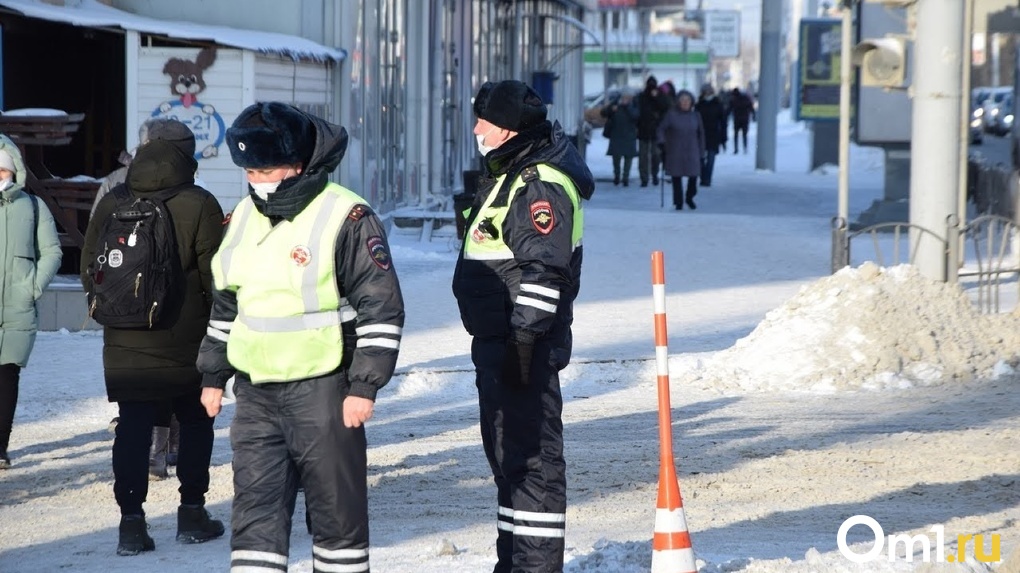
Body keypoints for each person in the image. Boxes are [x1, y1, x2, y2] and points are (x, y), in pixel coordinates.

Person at [196, 101, 405, 573]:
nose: (256, 178)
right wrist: (213, 374)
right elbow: (227, 304)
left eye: (265, 167)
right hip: (255, 392)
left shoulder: (346, 216)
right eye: (248, 169)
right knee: (254, 511)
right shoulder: (241, 218)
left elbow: (381, 305)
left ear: (298, 163)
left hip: (324, 388)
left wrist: (365, 385)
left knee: (336, 512)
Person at [455, 80, 595, 573]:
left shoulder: (539, 183)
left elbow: (544, 275)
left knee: (532, 467)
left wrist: (522, 344)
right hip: (500, 346)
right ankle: (513, 563)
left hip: (522, 350)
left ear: (508, 127)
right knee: (509, 463)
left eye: (484, 122)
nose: (476, 129)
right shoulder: (512, 171)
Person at [80, 118, 226, 556]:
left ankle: (131, 524)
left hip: (125, 341)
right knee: (197, 422)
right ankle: (192, 513)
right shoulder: (200, 203)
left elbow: (91, 268)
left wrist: (123, 310)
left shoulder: (113, 200)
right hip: (186, 339)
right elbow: (216, 276)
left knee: (133, 426)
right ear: (187, 154)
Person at [0, 135, 62, 470]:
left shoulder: (33, 206)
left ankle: (1, 446)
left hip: (17, 304)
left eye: (2, 170)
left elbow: (51, 251)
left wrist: (33, 286)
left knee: (7, 376)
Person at [658, 90, 705, 210]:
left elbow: (701, 134)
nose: (685, 103)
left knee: (694, 176)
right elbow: (661, 129)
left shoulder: (696, 115)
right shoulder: (671, 115)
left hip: (692, 149)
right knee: (676, 176)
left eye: (687, 100)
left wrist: (701, 150)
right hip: (675, 150)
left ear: (691, 102)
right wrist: (662, 142)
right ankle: (678, 201)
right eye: (682, 100)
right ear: (678, 102)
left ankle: (690, 197)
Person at [600, 88, 639, 186]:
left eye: (628, 96)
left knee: (628, 158)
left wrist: (627, 107)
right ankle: (616, 176)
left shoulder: (634, 104)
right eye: (625, 96)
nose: (626, 98)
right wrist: (611, 109)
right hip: (616, 134)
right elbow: (603, 113)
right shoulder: (615, 103)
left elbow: (636, 116)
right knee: (616, 157)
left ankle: (625, 177)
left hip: (629, 135)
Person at [636, 76, 670, 188]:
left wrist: (657, 97)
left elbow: (665, 108)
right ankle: (644, 178)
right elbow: (637, 112)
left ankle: (654, 175)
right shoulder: (641, 96)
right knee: (643, 157)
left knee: (656, 155)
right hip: (643, 130)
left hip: (656, 130)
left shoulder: (660, 96)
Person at [695, 83, 728, 187]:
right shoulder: (699, 105)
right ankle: (703, 177)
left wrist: (723, 137)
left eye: (709, 91)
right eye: (705, 91)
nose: (707, 93)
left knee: (710, 158)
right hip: (700, 136)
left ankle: (707, 179)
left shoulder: (718, 104)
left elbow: (723, 122)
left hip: (714, 135)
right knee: (700, 159)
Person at [730, 87, 756, 154]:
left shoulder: (734, 100)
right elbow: (751, 107)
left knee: (736, 135)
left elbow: (729, 109)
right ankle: (745, 148)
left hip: (737, 119)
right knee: (744, 134)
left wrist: (725, 116)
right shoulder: (745, 98)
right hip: (745, 119)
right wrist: (753, 115)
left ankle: (736, 149)